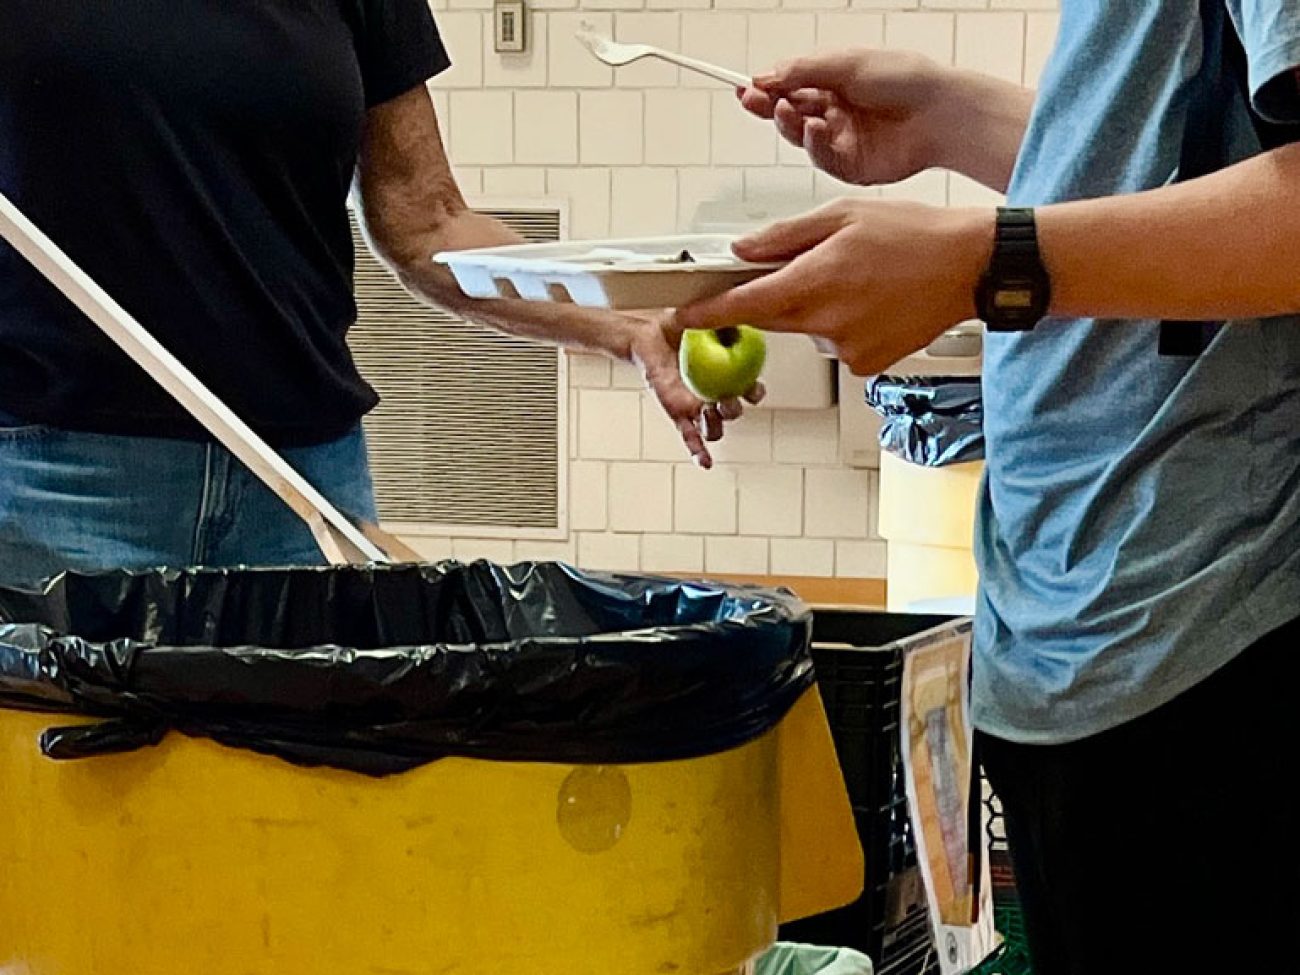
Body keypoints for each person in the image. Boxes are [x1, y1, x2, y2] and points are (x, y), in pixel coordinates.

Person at [669, 5, 1300, 973]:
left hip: (1213, 626)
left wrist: (985, 262)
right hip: (1101, 618)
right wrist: (951, 118)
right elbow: (1191, 153)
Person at [0, 0, 754, 589]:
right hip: (55, 486)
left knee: (305, 789)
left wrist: (628, 324)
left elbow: (429, 221)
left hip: (304, 487)